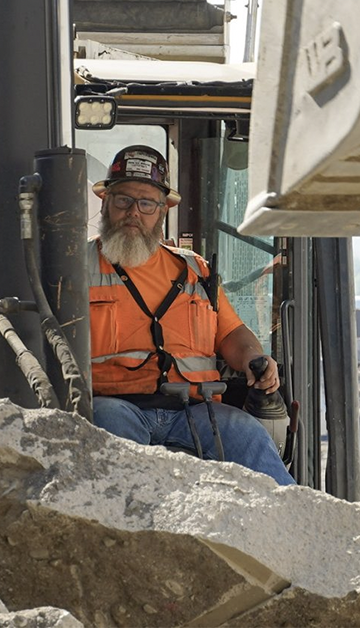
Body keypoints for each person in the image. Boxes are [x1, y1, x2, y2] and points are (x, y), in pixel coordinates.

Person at [86, 145, 295, 486]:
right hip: (115, 404)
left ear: (163, 209)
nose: (133, 213)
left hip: (196, 410)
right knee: (110, 438)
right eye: (123, 200)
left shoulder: (195, 270)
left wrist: (255, 358)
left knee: (247, 434)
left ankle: (294, 526)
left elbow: (230, 335)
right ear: (105, 202)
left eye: (146, 203)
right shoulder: (75, 267)